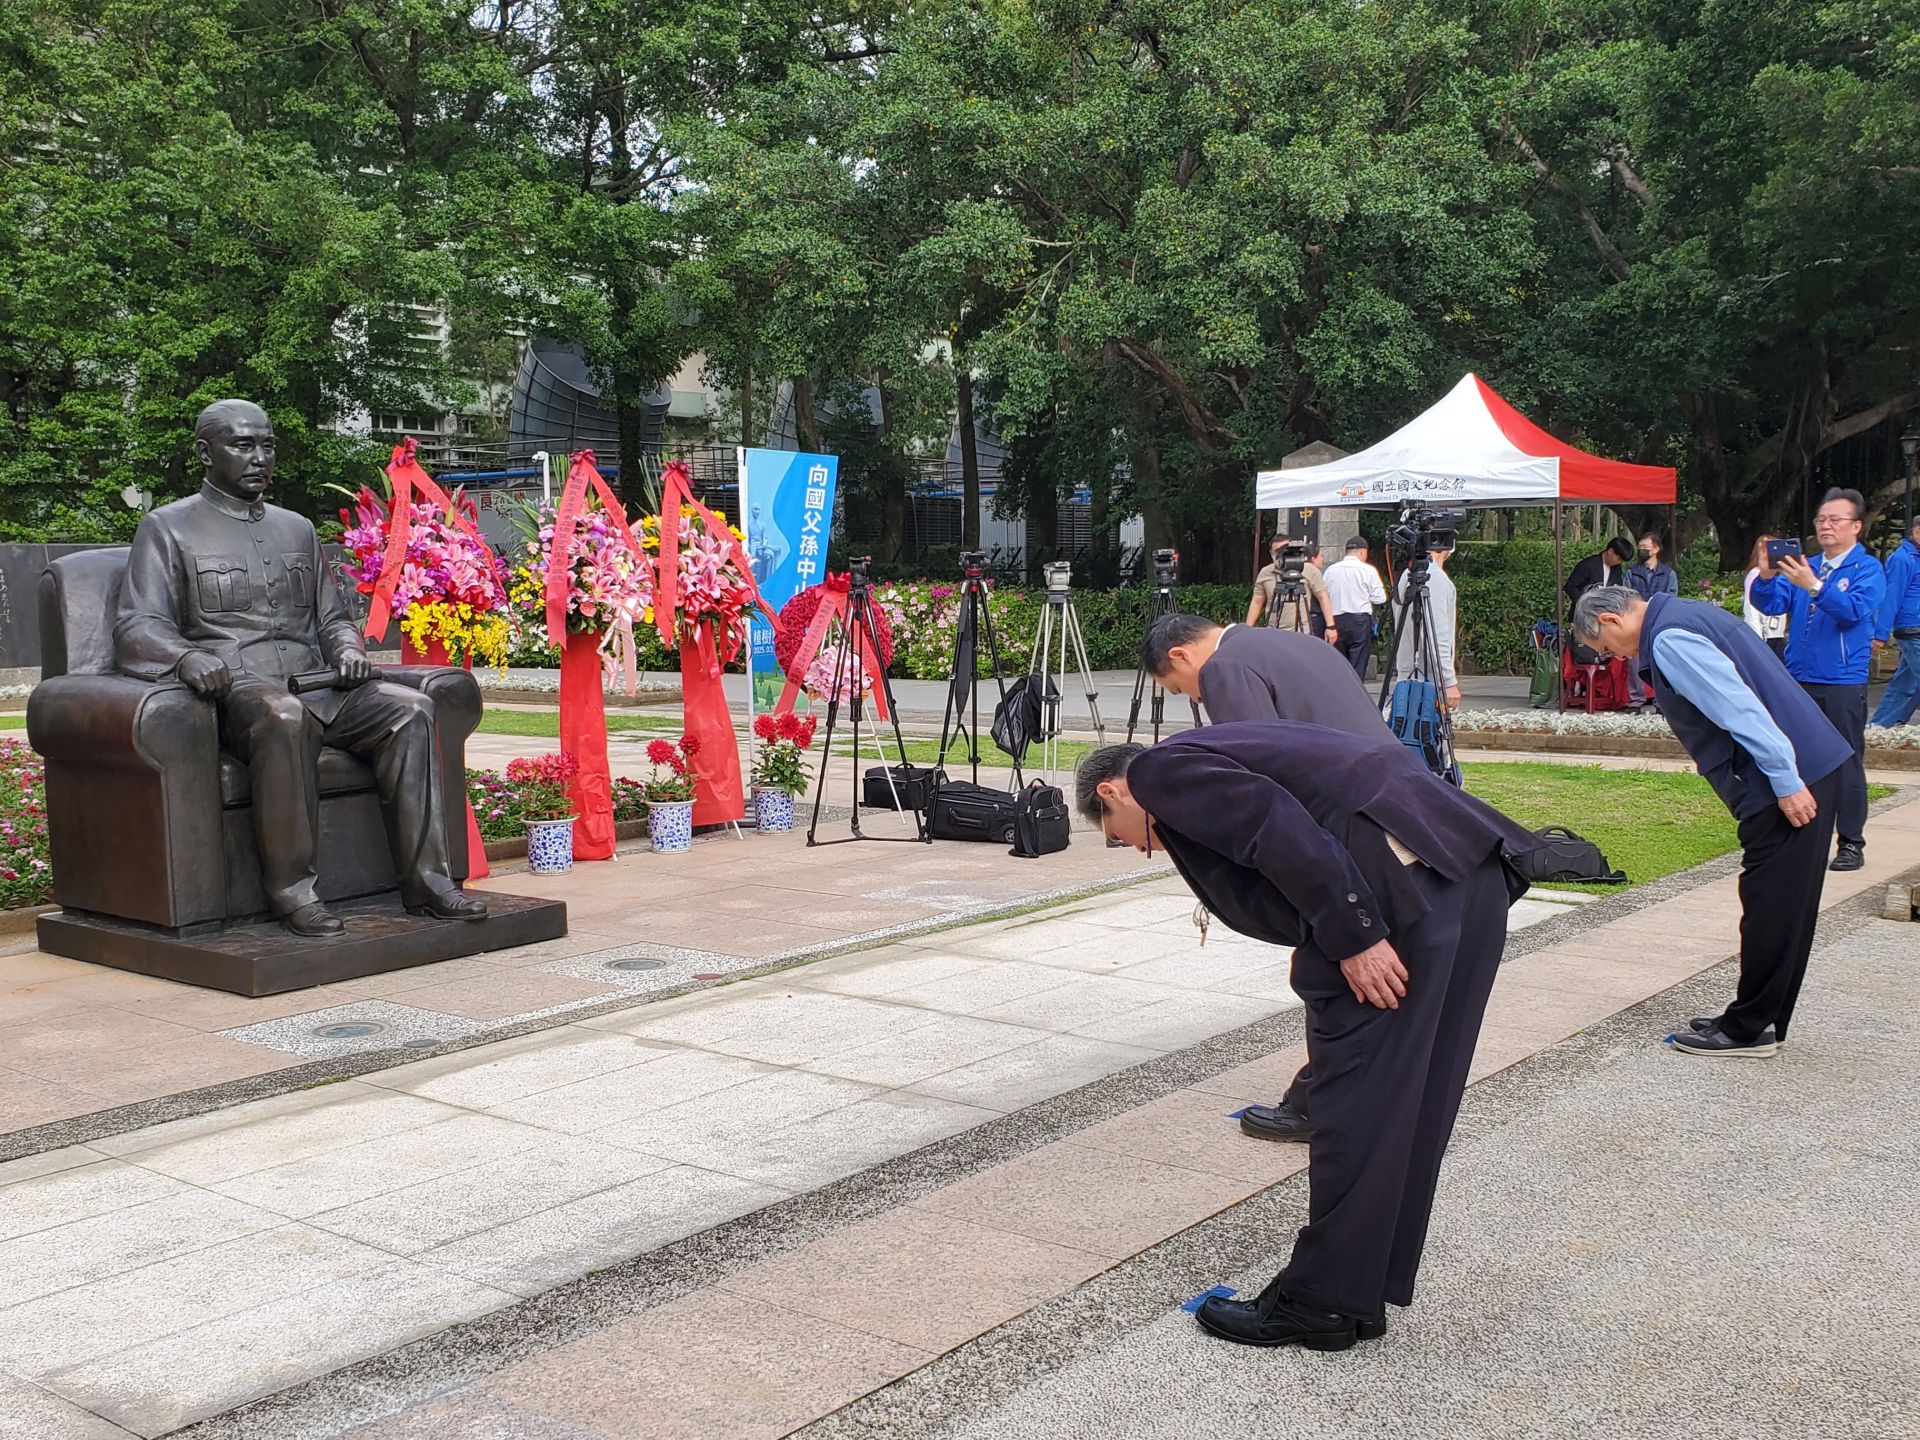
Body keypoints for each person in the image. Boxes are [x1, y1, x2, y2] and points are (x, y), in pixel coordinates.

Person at [1076, 726, 1540, 1349]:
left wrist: (1355, 935)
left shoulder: (1158, 771)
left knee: (1356, 1105)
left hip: (1401, 900)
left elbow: (1273, 822)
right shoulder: (1227, 748)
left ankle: (1323, 1303)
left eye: (1116, 834)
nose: (1138, 849)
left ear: (1112, 792)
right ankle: (1356, 1290)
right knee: (1412, 1103)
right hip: (1461, 876)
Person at [115, 400, 488, 937]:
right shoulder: (168, 528)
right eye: (243, 445)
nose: (259, 458)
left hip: (319, 686)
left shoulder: (297, 529)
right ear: (205, 453)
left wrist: (348, 650)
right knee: (282, 715)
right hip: (240, 694)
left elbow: (331, 619)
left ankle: (428, 882)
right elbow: (138, 625)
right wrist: (187, 657)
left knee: (411, 709)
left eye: (267, 446)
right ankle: (293, 893)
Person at [1144, 612, 1395, 1145]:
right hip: (1396, 808)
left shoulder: (1226, 668)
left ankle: (1318, 1106)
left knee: (1330, 972)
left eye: (1182, 689)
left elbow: (1259, 775)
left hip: (1346, 832)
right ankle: (1339, 1098)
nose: (1197, 700)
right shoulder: (1300, 644)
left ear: (1181, 656)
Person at [1572, 586, 1852, 1057]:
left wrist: (1785, 781)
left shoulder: (1668, 638)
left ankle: (1748, 1030)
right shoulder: (1687, 614)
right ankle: (1759, 1018)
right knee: (1785, 903)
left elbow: (1741, 710)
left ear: (1610, 621)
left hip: (1785, 779)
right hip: (1808, 763)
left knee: (1770, 904)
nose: (1615, 657)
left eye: (1605, 648)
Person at [1748, 488, 1885, 872]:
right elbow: (1771, 604)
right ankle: (1805, 837)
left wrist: (1815, 586)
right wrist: (1767, 576)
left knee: (1846, 762)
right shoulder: (1806, 565)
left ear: (1856, 526)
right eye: (1821, 520)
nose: (1826, 526)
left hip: (1842, 680)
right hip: (1799, 677)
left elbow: (1854, 611)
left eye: (1835, 520)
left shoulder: (1867, 569)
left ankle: (1851, 842)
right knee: (1799, 759)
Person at [1390, 537, 1460, 711]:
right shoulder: (1434, 578)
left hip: (1410, 680)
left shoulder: (1408, 574)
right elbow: (1435, 633)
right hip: (1427, 683)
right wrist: (1448, 681)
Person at [1871, 515, 1920, 728]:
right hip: (1911, 628)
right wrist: (1880, 634)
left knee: (1904, 685)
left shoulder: (1913, 558)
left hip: (1913, 627)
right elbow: (1891, 597)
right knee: (1906, 685)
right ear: (1917, 531)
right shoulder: (1903, 559)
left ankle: (1880, 728)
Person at [1624, 532, 1678, 709]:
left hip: (1659, 620)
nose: (1642, 551)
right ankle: (1635, 700)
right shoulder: (1632, 572)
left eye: (1645, 548)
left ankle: (1660, 700)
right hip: (1637, 621)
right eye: (1640, 548)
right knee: (1634, 661)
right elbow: (1626, 596)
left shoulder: (1668, 574)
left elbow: (1671, 598)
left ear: (1656, 549)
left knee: (1660, 660)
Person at [1323, 536, 1387, 680]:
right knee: (1358, 664)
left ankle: (1340, 691)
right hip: (1359, 621)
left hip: (1335, 621)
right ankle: (1355, 691)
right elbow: (1380, 598)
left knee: (1339, 664)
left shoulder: (1331, 570)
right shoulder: (1368, 570)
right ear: (1363, 552)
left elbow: (1324, 595)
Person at [1247, 539, 1333, 638]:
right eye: (1278, 552)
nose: (1282, 555)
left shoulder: (1309, 570)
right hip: (1273, 631)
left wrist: (1331, 626)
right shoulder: (1266, 573)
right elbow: (1257, 602)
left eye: (1285, 551)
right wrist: (1247, 629)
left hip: (1301, 631)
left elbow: (1323, 597)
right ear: (1271, 553)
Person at [1743, 536, 1790, 657]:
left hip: (1777, 635)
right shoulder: (1756, 574)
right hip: (1763, 635)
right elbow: (1751, 608)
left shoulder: (1780, 575)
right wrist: (1757, 637)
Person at [1564, 537, 1633, 605]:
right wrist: (1582, 602)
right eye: (1618, 559)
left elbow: (1618, 589)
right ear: (1610, 551)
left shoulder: (1617, 569)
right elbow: (1570, 586)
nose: (1619, 562)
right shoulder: (1588, 564)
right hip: (1584, 609)